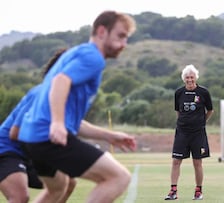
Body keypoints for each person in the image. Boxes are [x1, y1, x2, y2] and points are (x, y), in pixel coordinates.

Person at [17, 10, 137, 203]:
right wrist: (56, 123)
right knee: (118, 177)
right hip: (47, 137)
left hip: (32, 138)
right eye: (120, 36)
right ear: (101, 31)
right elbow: (60, 81)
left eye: (126, 38)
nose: (124, 44)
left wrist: (109, 136)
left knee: (56, 190)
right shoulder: (93, 58)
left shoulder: (78, 53)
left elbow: (69, 117)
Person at [0, 49, 76, 203]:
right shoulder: (43, 94)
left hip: (28, 155)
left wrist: (110, 136)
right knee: (20, 197)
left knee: (67, 182)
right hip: (6, 150)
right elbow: (15, 133)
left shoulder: (65, 98)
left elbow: (77, 126)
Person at [164, 64, 214, 201]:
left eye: (192, 77)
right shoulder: (179, 93)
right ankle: (173, 191)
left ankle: (198, 191)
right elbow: (178, 111)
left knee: (197, 162)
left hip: (198, 133)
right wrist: (183, 124)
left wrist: (202, 121)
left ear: (196, 78)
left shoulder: (203, 92)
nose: (190, 80)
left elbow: (210, 110)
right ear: (183, 79)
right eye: (187, 77)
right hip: (182, 132)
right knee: (176, 161)